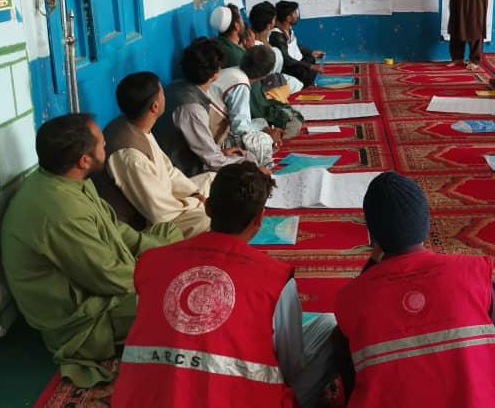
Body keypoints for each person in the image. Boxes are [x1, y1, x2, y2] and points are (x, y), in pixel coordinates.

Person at [112, 162, 336, 408]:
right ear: (259, 219)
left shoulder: (151, 263)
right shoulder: (275, 279)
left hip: (141, 401)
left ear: (207, 207)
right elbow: (291, 367)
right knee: (329, 326)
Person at [1, 113, 182, 387]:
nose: (106, 145)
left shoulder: (72, 180)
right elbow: (107, 276)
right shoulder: (60, 212)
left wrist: (160, 249)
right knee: (178, 303)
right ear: (84, 160)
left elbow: (115, 229)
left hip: (104, 272)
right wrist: (161, 272)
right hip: (85, 316)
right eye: (101, 143)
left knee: (172, 233)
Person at [333, 171, 495, 407]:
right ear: (426, 226)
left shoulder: (352, 299)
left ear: (372, 236)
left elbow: (353, 380)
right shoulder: (470, 273)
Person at [103, 72, 215, 238]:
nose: (165, 96)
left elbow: (168, 171)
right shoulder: (128, 154)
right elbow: (159, 212)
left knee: (214, 178)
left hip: (165, 197)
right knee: (204, 218)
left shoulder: (137, 125)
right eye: (162, 93)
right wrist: (196, 203)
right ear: (155, 106)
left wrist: (193, 193)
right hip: (146, 223)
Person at [153, 37, 257, 177]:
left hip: (178, 161)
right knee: (250, 162)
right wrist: (249, 164)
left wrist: (220, 153)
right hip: (179, 173)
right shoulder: (191, 108)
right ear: (216, 74)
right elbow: (214, 162)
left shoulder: (174, 86)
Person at [209, 45, 283, 168]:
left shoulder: (233, 71)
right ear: (265, 75)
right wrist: (268, 135)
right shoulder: (241, 83)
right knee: (262, 142)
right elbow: (240, 130)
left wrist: (264, 128)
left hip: (211, 125)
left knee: (261, 122)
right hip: (212, 138)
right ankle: (266, 170)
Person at [250, 1, 304, 95]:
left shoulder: (265, 37)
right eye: (275, 19)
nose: (276, 22)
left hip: (271, 78)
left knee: (296, 83)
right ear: (269, 25)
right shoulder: (255, 45)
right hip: (261, 83)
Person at [269, 0, 324, 87]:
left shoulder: (288, 29)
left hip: (295, 63)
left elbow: (294, 45)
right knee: (308, 71)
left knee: (310, 58)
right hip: (287, 68)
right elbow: (286, 60)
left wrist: (311, 52)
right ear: (288, 18)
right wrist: (310, 66)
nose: (297, 15)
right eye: (294, 13)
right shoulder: (277, 35)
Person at [210, 4, 246, 68]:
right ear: (236, 26)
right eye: (242, 19)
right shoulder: (240, 56)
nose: (244, 22)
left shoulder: (213, 43)